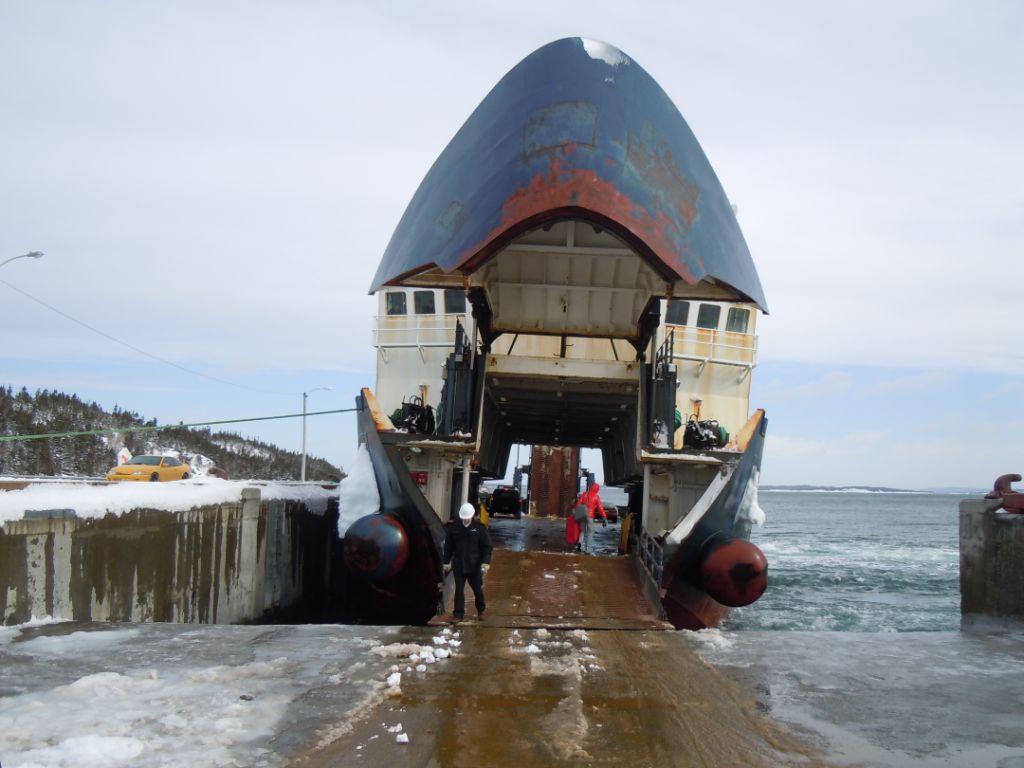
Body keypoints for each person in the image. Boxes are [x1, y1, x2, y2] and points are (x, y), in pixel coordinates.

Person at [443, 502, 493, 621]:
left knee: (477, 589)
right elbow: (448, 546)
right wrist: (446, 561)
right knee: (459, 590)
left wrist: (485, 562)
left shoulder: (479, 529)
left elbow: (486, 547)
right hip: (459, 564)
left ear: (472, 516)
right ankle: (458, 614)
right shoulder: (454, 528)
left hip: (474, 565)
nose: (466, 520)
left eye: (468, 518)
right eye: (464, 518)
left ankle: (481, 610)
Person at [570, 482, 608, 555]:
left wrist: (576, 513)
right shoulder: (596, 497)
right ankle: (588, 550)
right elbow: (600, 508)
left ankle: (580, 543)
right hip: (590, 516)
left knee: (582, 531)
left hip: (583, 514)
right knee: (590, 532)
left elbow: (578, 504)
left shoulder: (585, 494)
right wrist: (604, 518)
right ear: (597, 489)